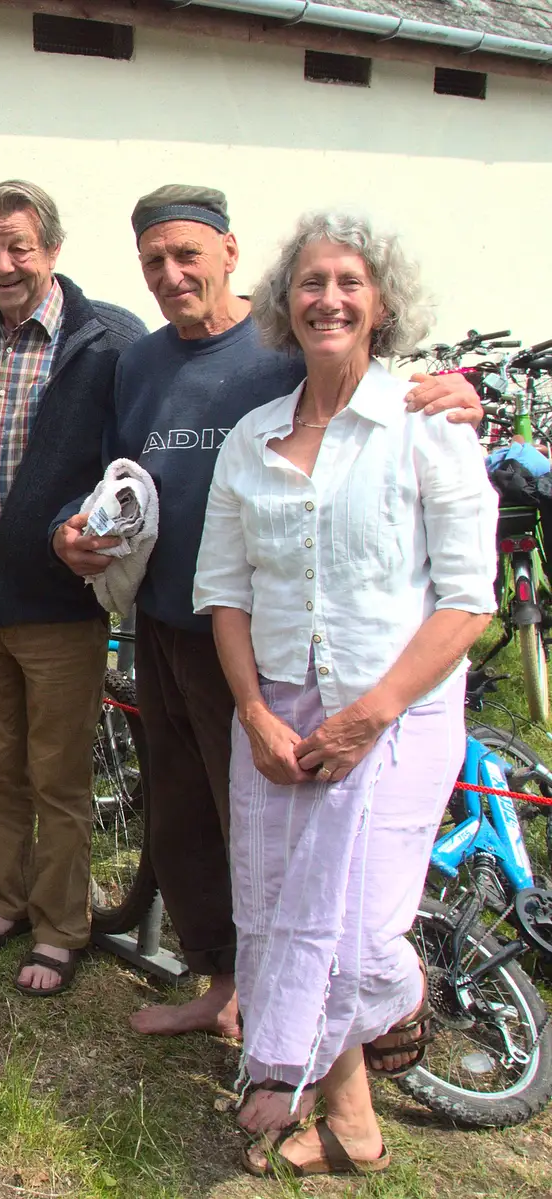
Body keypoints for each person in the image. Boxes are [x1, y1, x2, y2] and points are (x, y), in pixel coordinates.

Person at [52, 186, 481, 1038]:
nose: (172, 275)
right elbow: (116, 472)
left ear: (230, 253)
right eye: (154, 263)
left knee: (256, 830)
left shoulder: (281, 342)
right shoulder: (140, 361)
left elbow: (371, 383)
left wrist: (457, 392)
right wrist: (75, 528)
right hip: (165, 621)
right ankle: (222, 983)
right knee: (180, 819)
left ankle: (306, 1010)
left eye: (187, 256)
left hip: (260, 641)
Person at [193, 211, 495, 1177]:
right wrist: (251, 708)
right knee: (286, 912)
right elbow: (227, 591)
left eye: (349, 282)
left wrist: (372, 712)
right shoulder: (252, 437)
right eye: (311, 282)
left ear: (381, 303)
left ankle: (391, 1011)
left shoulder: (425, 421)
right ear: (285, 304)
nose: (328, 298)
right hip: (280, 712)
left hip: (395, 716)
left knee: (362, 936)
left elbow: (467, 599)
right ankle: (351, 1116)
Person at [0, 181, 146, 995]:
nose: (4, 263)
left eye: (19, 246)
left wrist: (80, 526)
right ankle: (5, 899)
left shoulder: (109, 338)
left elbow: (129, 463)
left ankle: (64, 926)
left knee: (58, 777)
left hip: (59, 601)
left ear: (52, 250)